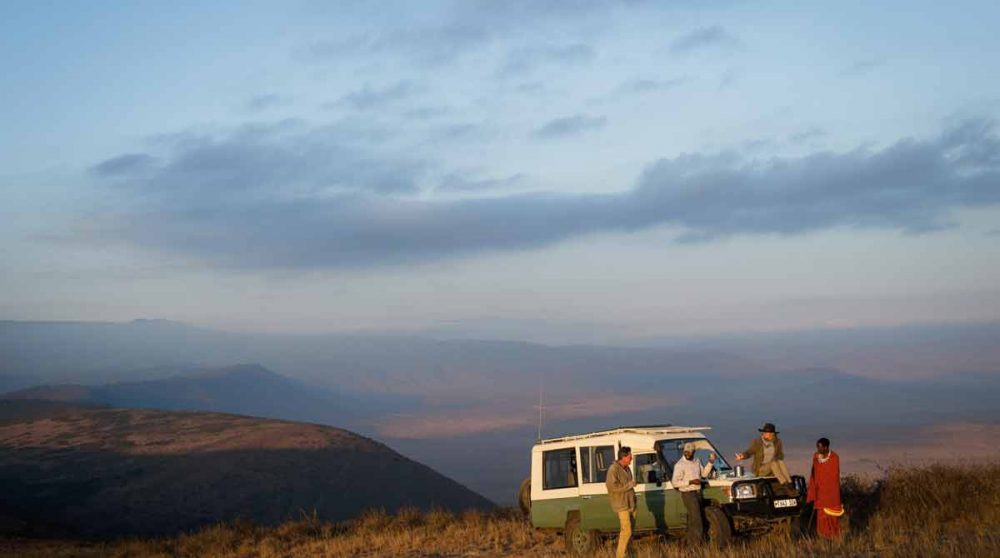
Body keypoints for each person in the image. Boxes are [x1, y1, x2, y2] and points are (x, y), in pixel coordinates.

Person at [671, 442, 714, 546]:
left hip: (698, 493)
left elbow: (703, 474)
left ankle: (690, 545)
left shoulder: (697, 461)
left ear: (693, 452)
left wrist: (711, 462)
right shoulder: (680, 465)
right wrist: (690, 482)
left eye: (689, 452)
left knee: (693, 519)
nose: (687, 454)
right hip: (688, 494)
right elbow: (675, 483)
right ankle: (697, 545)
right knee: (697, 519)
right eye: (686, 452)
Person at [734, 422, 795, 490]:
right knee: (773, 463)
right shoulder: (757, 442)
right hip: (761, 469)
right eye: (764, 432)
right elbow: (749, 452)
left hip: (774, 468)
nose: (764, 433)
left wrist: (777, 458)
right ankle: (784, 483)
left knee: (780, 461)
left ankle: (789, 483)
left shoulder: (778, 442)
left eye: (767, 432)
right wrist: (742, 456)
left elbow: (780, 455)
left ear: (772, 434)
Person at [807, 437, 843, 539]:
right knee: (821, 517)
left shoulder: (834, 458)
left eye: (820, 447)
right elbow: (814, 474)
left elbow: (833, 476)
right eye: (817, 447)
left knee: (832, 517)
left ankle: (833, 536)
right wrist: (814, 488)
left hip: (831, 493)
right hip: (820, 493)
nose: (818, 450)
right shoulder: (816, 457)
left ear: (826, 447)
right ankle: (823, 537)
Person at [606, 446, 637, 558]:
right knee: (626, 531)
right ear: (623, 457)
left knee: (630, 533)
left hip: (631, 504)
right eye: (629, 456)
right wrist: (629, 485)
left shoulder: (627, 469)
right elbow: (612, 487)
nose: (631, 458)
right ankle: (620, 555)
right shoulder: (613, 469)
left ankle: (629, 553)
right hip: (621, 505)